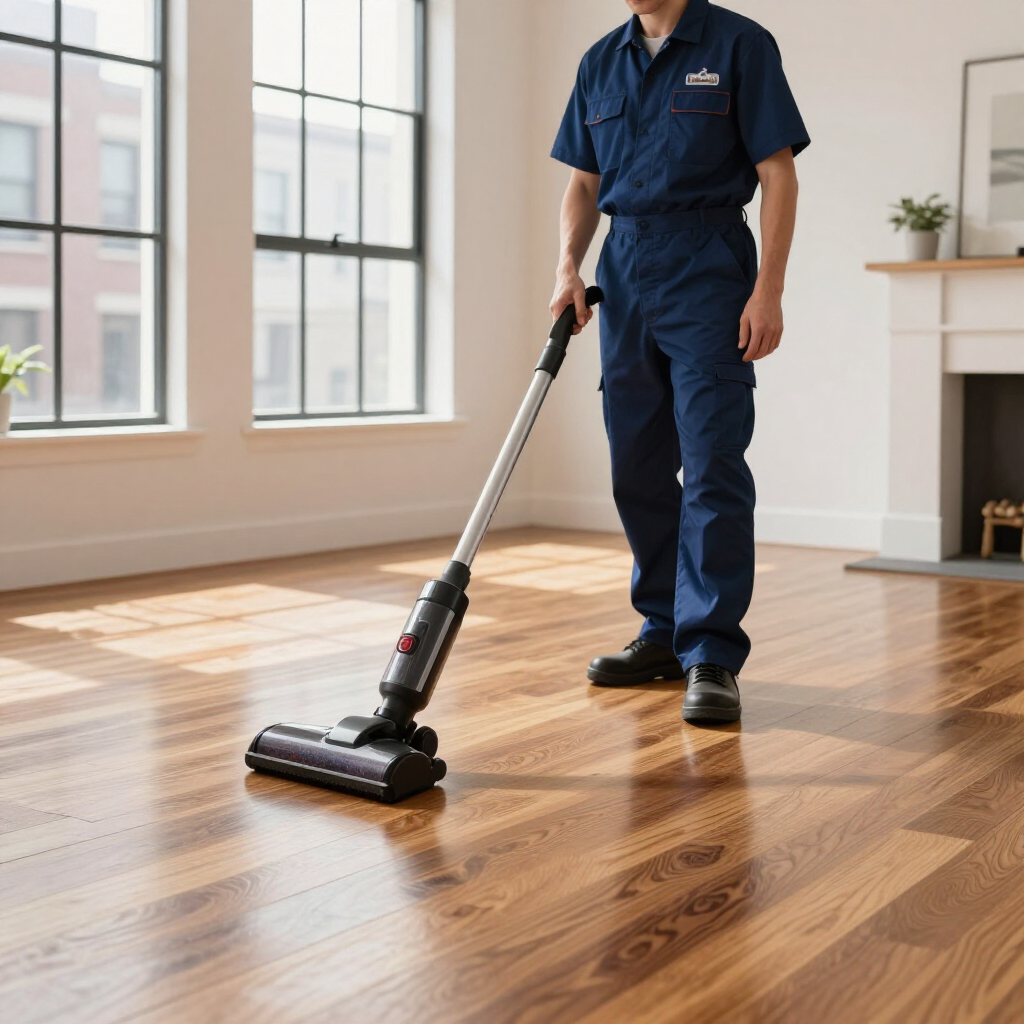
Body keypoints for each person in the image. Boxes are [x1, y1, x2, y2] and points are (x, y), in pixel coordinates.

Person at [549, 0, 809, 723]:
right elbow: (583, 184)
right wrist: (568, 266)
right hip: (625, 264)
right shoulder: (601, 60)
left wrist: (768, 290)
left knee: (713, 458)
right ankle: (661, 632)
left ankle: (712, 653)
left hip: (709, 264)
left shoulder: (739, 45)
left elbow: (778, 173)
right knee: (635, 460)